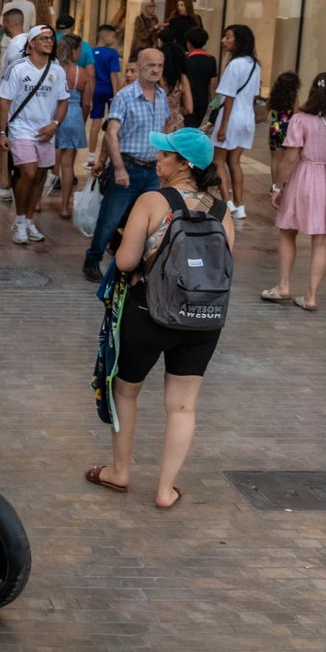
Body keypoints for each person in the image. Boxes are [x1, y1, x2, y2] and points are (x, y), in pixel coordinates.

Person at [87, 128, 232, 509]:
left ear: (184, 164)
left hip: (148, 312)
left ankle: (119, 471)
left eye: (166, 154)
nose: (158, 159)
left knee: (126, 390)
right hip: (202, 319)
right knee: (183, 406)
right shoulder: (221, 211)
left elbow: (125, 262)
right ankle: (166, 490)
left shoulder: (153, 200)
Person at [260, 73, 326, 312]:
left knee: (288, 231)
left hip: (304, 178)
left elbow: (290, 158)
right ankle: (311, 296)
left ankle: (284, 285)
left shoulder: (300, 119)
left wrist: (277, 186)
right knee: (322, 240)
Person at [83, 49, 171, 281]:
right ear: (140, 67)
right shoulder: (125, 96)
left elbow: (163, 131)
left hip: (152, 170)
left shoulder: (162, 95)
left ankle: (137, 263)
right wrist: (118, 168)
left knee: (149, 220)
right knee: (110, 218)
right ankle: (92, 260)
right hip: (128, 166)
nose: (155, 70)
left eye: (160, 66)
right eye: (151, 65)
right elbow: (111, 133)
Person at [0, 26, 68, 245]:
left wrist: (55, 124)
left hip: (46, 132)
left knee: (40, 175)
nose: (49, 41)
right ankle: (19, 221)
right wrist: (2, 133)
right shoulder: (17, 69)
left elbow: (63, 101)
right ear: (31, 43)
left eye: (51, 38)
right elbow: (3, 102)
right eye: (43, 38)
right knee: (28, 172)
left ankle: (28, 221)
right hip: (20, 130)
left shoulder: (58, 71)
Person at [213, 24, 264, 218]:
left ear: (238, 41)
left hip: (231, 117)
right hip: (247, 117)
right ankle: (239, 205)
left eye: (228, 37)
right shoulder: (255, 65)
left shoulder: (235, 65)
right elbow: (253, 94)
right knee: (234, 161)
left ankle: (227, 202)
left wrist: (223, 126)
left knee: (218, 161)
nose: (224, 41)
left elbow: (228, 96)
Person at [54, 34, 91, 220]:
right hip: (74, 115)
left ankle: (36, 202)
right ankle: (64, 207)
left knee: (47, 162)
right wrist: (81, 121)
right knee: (68, 165)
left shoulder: (53, 70)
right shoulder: (81, 73)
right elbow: (87, 103)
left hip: (54, 115)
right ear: (74, 51)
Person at [87, 24, 123, 155]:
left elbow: (89, 74)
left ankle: (91, 155)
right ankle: (110, 153)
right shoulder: (112, 53)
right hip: (109, 90)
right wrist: (116, 93)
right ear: (105, 36)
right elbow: (114, 74)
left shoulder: (90, 52)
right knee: (113, 123)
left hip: (95, 90)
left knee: (95, 123)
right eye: (113, 36)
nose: (114, 39)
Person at [264, 71, 301, 187]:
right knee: (285, 158)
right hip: (287, 129)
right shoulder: (293, 97)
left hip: (274, 128)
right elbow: (296, 114)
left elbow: (265, 115)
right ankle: (282, 186)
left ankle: (274, 185)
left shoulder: (273, 96)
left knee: (275, 158)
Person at [181, 28, 216, 130]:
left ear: (188, 43)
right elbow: (212, 87)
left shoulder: (185, 59)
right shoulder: (211, 60)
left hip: (186, 102)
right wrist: (213, 107)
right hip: (203, 102)